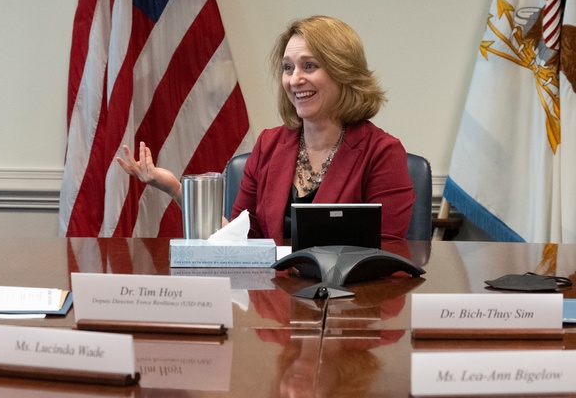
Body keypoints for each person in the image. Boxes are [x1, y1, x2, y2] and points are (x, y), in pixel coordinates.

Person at [117, 15, 414, 244]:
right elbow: (240, 240)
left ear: (343, 73)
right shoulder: (269, 145)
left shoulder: (382, 152)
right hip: (271, 307)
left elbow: (387, 255)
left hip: (348, 307)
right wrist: (174, 189)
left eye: (309, 66)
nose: (294, 80)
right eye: (288, 68)